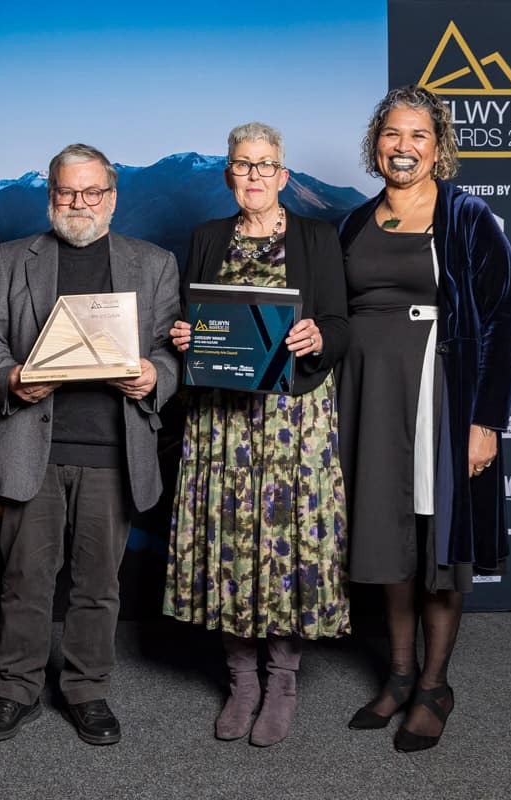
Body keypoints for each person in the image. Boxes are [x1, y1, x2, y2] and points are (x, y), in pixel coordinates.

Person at [0, 143, 180, 745]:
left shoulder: (153, 262)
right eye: (66, 192)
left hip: (112, 451)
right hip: (32, 445)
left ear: (112, 197)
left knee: (98, 585)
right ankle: (15, 691)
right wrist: (11, 379)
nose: (78, 203)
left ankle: (87, 690)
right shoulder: (13, 259)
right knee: (25, 581)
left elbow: (170, 352)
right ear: (51, 195)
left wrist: (154, 376)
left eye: (91, 192)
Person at [337, 86, 511, 752]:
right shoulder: (354, 222)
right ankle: (398, 672)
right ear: (375, 143)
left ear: (438, 147)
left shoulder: (467, 217)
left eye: (418, 135)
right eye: (392, 134)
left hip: (440, 396)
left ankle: (435, 686)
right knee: (388, 540)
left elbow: (503, 324)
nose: (403, 146)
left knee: (438, 541)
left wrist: (486, 421)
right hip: (370, 398)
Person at [163, 122, 351, 746]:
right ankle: (242, 679)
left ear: (284, 175)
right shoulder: (206, 236)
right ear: (228, 174)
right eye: (243, 165)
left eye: (265, 165)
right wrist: (185, 339)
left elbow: (341, 324)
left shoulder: (317, 236)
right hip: (222, 421)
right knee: (231, 546)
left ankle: (284, 680)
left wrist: (319, 336)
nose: (254, 176)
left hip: (292, 423)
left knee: (285, 547)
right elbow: (195, 320)